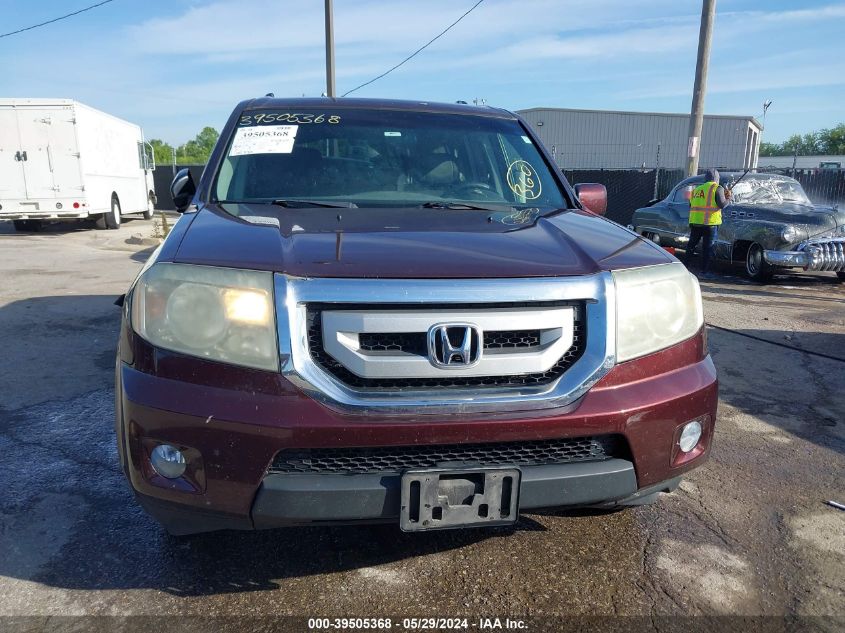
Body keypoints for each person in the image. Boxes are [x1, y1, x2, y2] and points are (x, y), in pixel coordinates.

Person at [684, 168, 730, 276]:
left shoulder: (696, 189)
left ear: (706, 178)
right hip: (710, 223)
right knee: (707, 249)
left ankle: (685, 267)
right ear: (717, 178)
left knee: (691, 246)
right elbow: (722, 205)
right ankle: (704, 271)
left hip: (695, 223)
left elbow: (691, 205)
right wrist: (728, 198)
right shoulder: (717, 188)